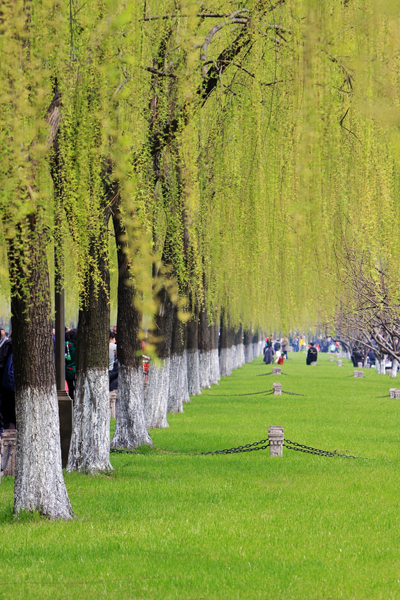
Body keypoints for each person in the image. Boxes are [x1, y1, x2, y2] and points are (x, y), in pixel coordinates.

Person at [65, 329, 77, 400]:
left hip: (68, 368)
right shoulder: (80, 345)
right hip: (78, 369)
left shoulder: (66, 345)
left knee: (70, 387)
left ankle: (72, 399)